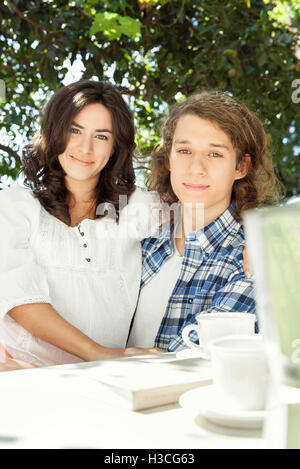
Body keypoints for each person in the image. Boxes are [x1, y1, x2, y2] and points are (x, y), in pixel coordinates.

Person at [0, 79, 162, 369]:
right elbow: (19, 295)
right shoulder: (14, 206)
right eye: (74, 130)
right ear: (54, 132)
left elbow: (198, 219)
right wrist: (96, 352)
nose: (85, 148)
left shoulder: (137, 207)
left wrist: (247, 243)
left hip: (108, 379)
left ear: (115, 146)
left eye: (101, 136)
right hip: (23, 374)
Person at [127, 90, 282, 351]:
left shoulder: (254, 258)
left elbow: (194, 359)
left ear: (241, 167)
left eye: (215, 154)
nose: (196, 168)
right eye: (184, 150)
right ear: (168, 159)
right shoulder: (142, 242)